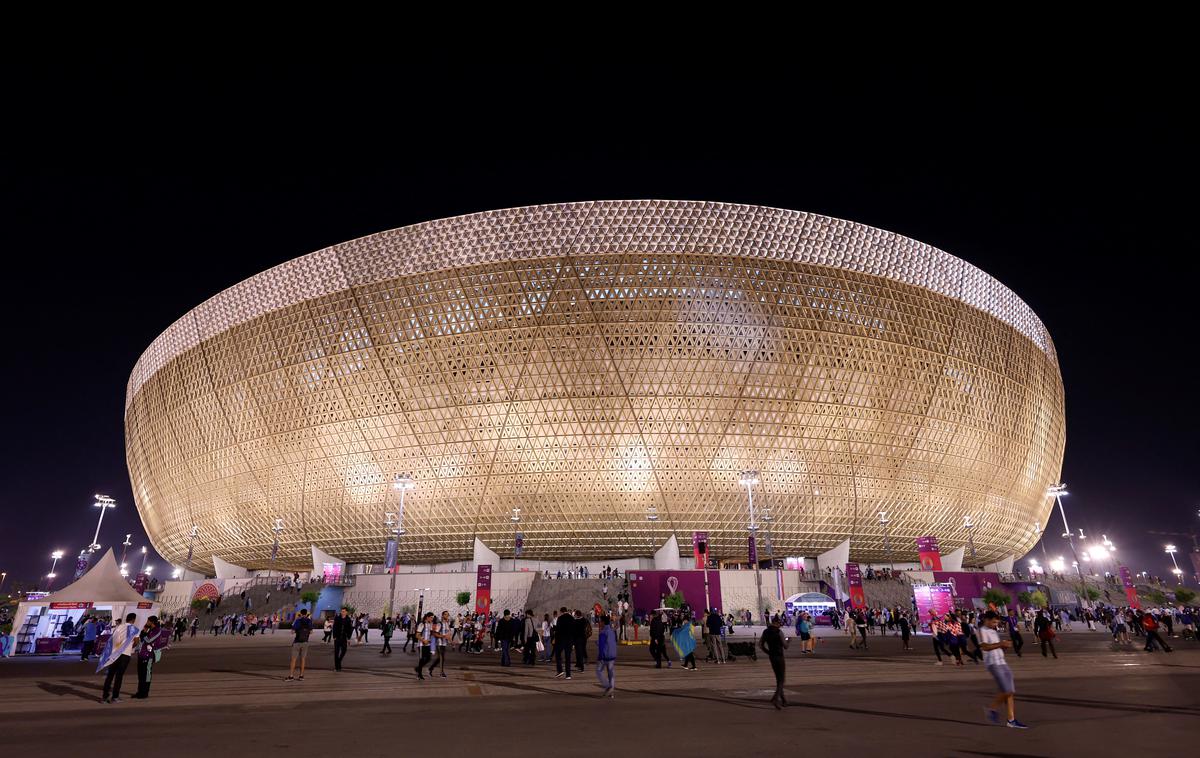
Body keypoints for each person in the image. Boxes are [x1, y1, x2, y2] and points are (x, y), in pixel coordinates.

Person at [980, 610, 1028, 728]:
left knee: (1010, 691)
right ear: (987, 620)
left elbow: (996, 646)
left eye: (996, 622)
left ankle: (1011, 720)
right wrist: (1001, 644)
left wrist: (1004, 646)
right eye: (994, 622)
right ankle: (992, 709)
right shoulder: (981, 631)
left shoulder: (993, 631)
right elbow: (985, 647)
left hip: (1002, 662)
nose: (995, 624)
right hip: (993, 664)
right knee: (1007, 690)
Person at [98, 613, 139, 703]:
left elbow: (113, 639)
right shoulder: (135, 629)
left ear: (126, 619)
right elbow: (136, 642)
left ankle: (104, 697)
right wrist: (129, 647)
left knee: (110, 675)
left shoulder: (119, 627)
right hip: (125, 655)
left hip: (115, 654)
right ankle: (115, 697)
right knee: (119, 676)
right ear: (133, 620)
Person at [131, 616, 171, 700]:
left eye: (148, 621)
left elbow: (149, 640)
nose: (147, 622)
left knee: (147, 675)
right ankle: (139, 692)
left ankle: (145, 692)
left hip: (149, 656)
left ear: (152, 622)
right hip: (141, 654)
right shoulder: (149, 629)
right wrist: (143, 632)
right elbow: (142, 639)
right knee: (141, 675)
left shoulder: (157, 630)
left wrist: (144, 633)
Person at [760, 615, 789, 709]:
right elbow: (785, 646)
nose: (780, 625)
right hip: (779, 657)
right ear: (776, 623)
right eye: (780, 623)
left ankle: (784, 700)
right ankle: (775, 699)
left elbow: (760, 644)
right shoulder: (779, 632)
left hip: (772, 657)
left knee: (778, 678)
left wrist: (767, 652)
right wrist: (789, 641)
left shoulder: (766, 631)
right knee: (781, 680)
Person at [286, 609, 313, 681]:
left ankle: (291, 676)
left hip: (297, 641)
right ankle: (301, 676)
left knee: (293, 659)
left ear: (300, 614)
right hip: (305, 642)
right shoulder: (309, 621)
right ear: (306, 613)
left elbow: (292, 631)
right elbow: (311, 632)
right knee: (303, 659)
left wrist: (297, 631)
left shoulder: (298, 620)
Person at [595, 614, 617, 697]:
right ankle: (611, 692)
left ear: (603, 622)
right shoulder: (611, 631)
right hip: (612, 654)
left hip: (605, 655)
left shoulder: (603, 631)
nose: (599, 622)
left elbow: (602, 645)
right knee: (611, 673)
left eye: (600, 621)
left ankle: (607, 686)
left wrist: (600, 656)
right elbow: (611, 642)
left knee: (599, 671)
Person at [553, 606, 574, 679]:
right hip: (569, 640)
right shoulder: (571, 618)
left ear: (561, 611)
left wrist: (555, 638)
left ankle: (560, 670)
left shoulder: (560, 618)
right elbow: (573, 631)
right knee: (568, 657)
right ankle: (568, 675)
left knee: (558, 654)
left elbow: (558, 630)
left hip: (561, 640)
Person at [414, 612, 435, 680]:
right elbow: (417, 635)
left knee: (429, 658)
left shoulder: (430, 624)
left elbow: (430, 634)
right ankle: (419, 674)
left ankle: (418, 668)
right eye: (431, 617)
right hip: (421, 645)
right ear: (427, 617)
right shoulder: (422, 624)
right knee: (422, 659)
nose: (432, 619)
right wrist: (423, 640)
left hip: (428, 644)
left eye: (432, 618)